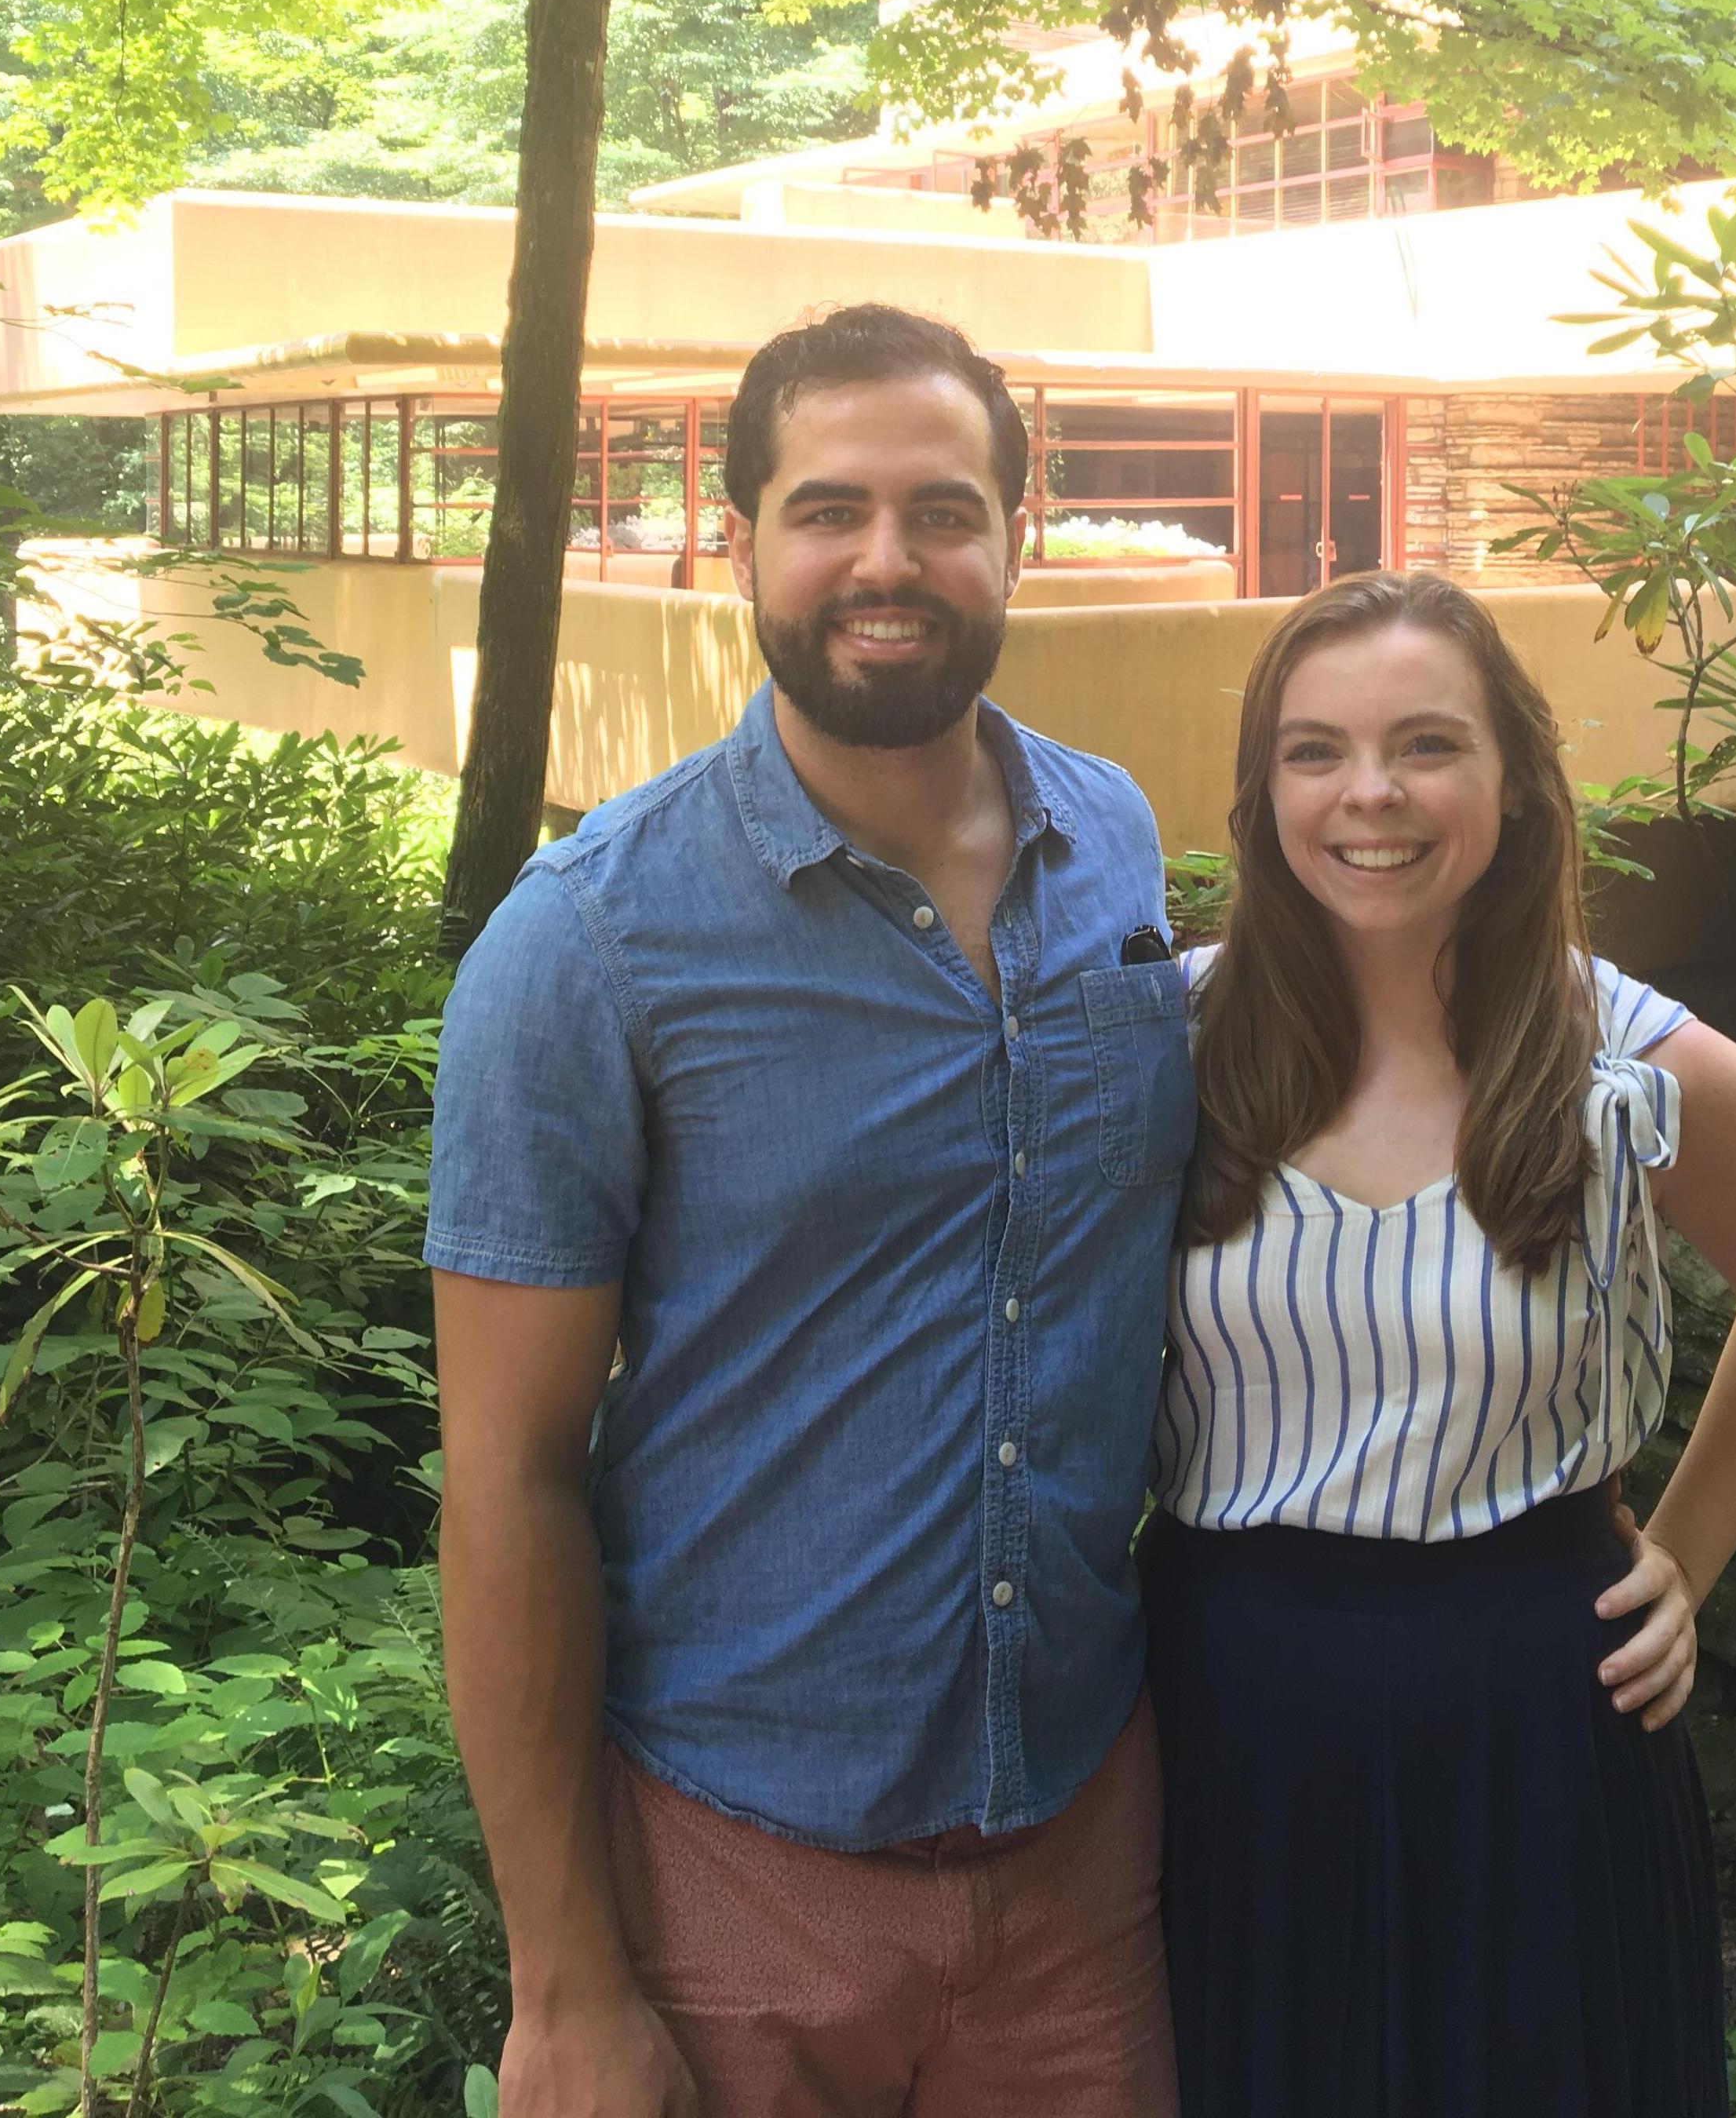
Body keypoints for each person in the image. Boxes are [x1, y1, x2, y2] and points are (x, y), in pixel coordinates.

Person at [427, 304, 1191, 2118]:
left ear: (1016, 528)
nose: (885, 560)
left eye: (941, 509)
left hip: (1083, 1847)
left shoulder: (1119, 848)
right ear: (742, 530)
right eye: (827, 507)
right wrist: (564, 1983)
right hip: (732, 1875)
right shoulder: (590, 942)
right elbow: (505, 1475)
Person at [1144, 571, 1736, 2118]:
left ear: (1516, 779)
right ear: (1263, 787)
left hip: (1535, 1716)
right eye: (1315, 749)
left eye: (1426, 743)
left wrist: (1682, 1552)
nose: (1371, 793)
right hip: (1225, 1709)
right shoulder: (1164, 1046)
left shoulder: (1634, 1065)